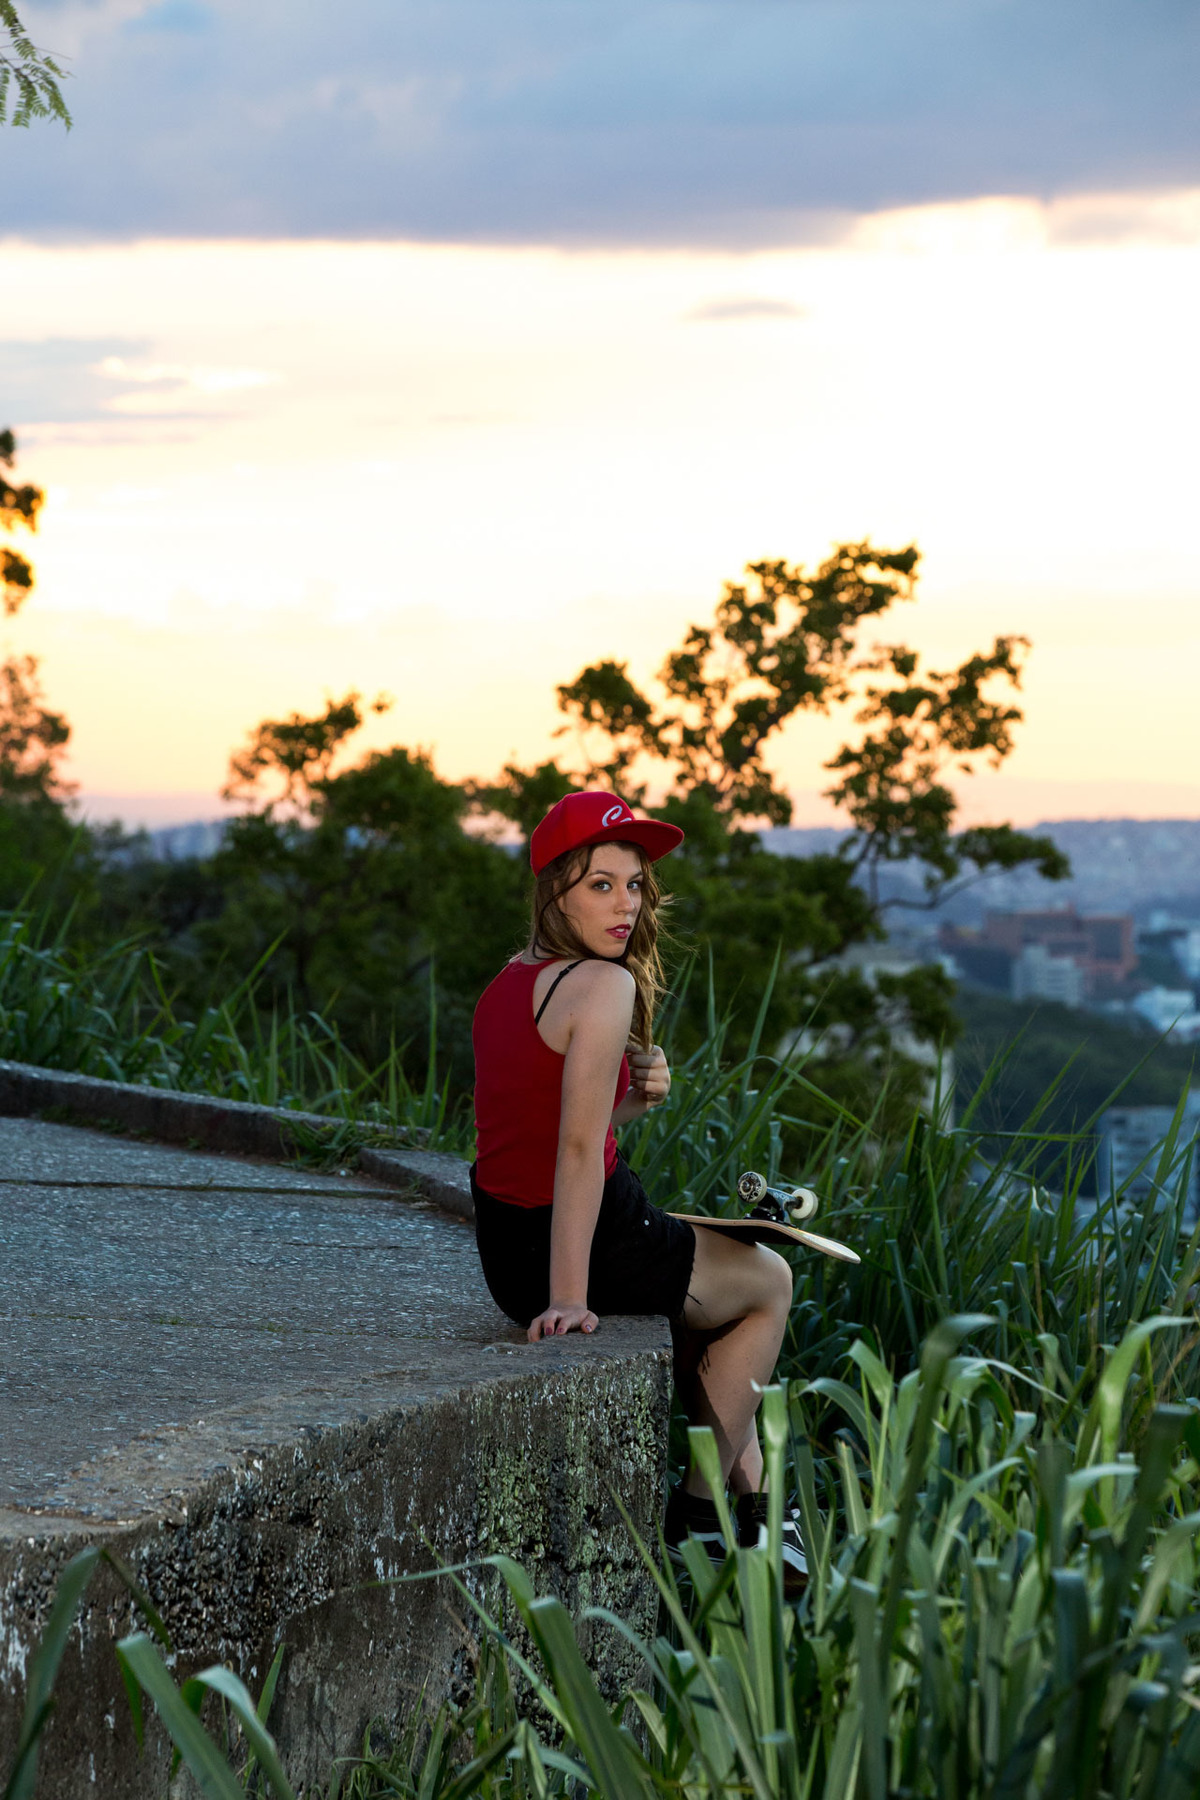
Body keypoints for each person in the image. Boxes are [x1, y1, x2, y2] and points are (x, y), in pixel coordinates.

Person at [470, 789, 805, 1585]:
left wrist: (634, 1098)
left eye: (634, 884)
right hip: (584, 1241)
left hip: (503, 1248)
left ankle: (759, 1518)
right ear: (555, 890)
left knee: (702, 1302)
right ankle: (698, 1515)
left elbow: (544, 1125)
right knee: (769, 1281)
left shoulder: (509, 984)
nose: (626, 905)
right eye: (601, 885)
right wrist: (568, 1299)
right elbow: (581, 1151)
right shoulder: (602, 985)